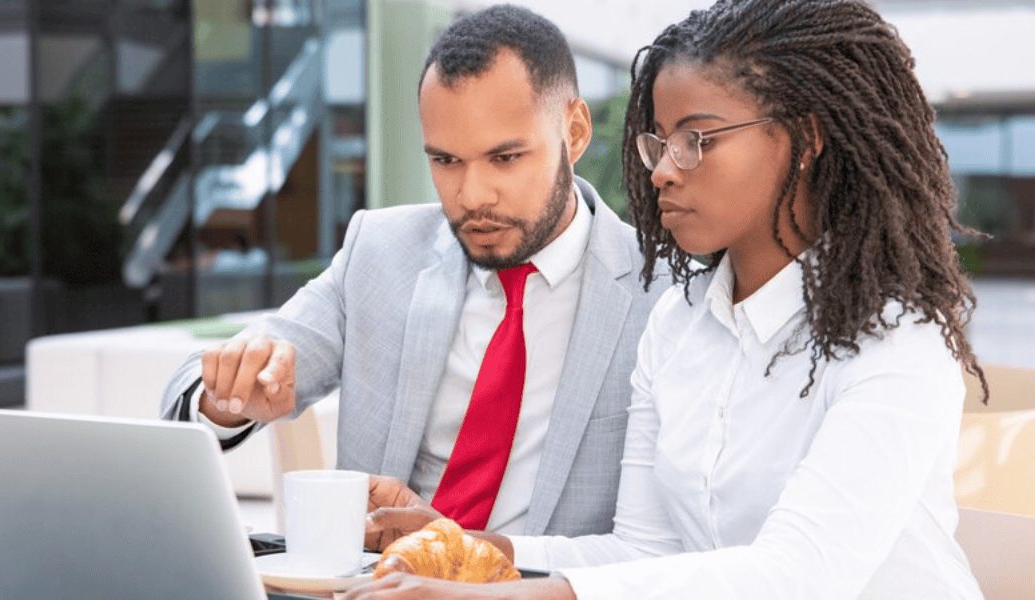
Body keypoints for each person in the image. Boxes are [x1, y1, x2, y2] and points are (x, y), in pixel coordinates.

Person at [347, 0, 990, 598]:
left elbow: (798, 573)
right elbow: (642, 551)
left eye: (697, 139)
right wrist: (463, 545)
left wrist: (518, 594)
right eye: (658, 141)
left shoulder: (900, 340)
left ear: (805, 138)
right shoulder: (677, 326)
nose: (662, 169)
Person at [159, 4, 669, 547]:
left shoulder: (662, 294)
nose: (472, 196)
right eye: (446, 162)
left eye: (505, 158)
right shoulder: (380, 253)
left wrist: (469, 555)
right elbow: (186, 393)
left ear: (574, 131)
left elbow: (670, 546)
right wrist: (230, 394)